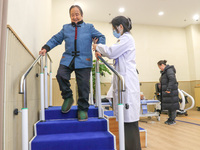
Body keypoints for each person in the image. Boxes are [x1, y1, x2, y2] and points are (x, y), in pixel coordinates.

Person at [39, 5, 105, 121]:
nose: (75, 17)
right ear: (70, 16)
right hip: (68, 58)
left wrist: (99, 48)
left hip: (84, 60)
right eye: (72, 15)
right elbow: (56, 39)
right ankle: (68, 97)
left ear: (82, 15)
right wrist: (46, 48)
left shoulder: (89, 27)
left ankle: (83, 109)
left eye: (77, 14)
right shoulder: (66, 28)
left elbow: (101, 37)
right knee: (60, 75)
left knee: (83, 86)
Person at [93, 16, 141, 150]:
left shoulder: (127, 38)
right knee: (126, 124)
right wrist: (102, 54)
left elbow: (112, 52)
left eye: (114, 28)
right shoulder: (123, 40)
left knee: (130, 123)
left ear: (120, 26)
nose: (114, 31)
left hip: (128, 85)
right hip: (124, 84)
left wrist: (98, 46)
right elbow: (114, 55)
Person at [157, 60, 179, 125]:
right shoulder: (165, 72)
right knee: (169, 106)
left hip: (171, 91)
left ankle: (172, 120)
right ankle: (170, 119)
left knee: (172, 106)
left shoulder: (169, 70)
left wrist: (169, 88)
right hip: (167, 91)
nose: (159, 68)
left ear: (162, 65)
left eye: (159, 67)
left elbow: (172, 79)